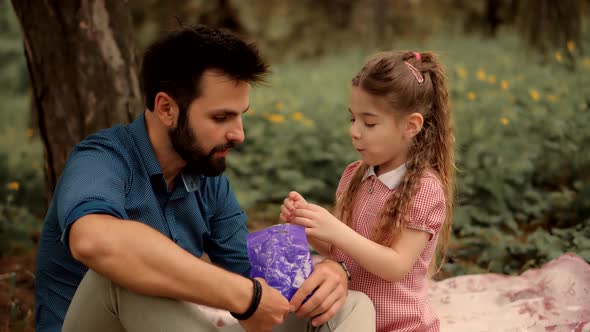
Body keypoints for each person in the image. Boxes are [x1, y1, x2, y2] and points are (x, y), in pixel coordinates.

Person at [34, 24, 375, 332]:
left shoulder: (203, 176)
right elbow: (93, 241)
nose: (238, 134)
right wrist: (246, 297)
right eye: (221, 117)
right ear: (167, 108)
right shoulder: (101, 159)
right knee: (121, 273)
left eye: (240, 116)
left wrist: (331, 274)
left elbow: (257, 280)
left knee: (349, 306)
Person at [281, 51, 455, 332]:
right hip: (347, 318)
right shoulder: (355, 174)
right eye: (352, 119)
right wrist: (309, 227)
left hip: (399, 326)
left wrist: (336, 230)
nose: (354, 131)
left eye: (369, 123)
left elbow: (396, 265)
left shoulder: (424, 189)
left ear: (410, 126)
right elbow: (340, 249)